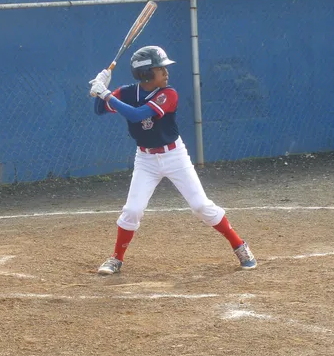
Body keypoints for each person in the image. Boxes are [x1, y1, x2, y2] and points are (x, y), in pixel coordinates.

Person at [88, 46, 257, 275]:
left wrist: (105, 93)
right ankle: (116, 258)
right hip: (146, 159)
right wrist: (101, 87)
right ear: (147, 73)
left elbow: (138, 115)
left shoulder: (169, 94)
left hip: (174, 156)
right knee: (132, 210)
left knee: (201, 206)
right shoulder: (127, 92)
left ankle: (240, 246)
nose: (166, 73)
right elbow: (100, 110)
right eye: (161, 69)